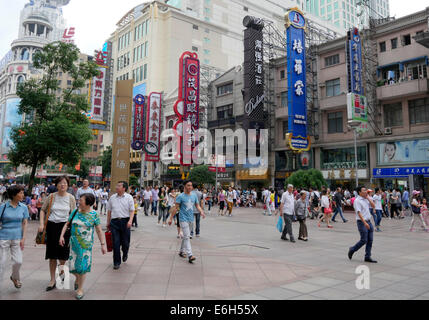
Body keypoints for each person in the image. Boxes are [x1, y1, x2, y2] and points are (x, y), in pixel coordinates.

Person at [58, 193, 106, 299]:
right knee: (73, 267)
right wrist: (61, 236)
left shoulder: (94, 215)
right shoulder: (75, 212)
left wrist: (103, 244)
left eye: (82, 200)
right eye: (79, 200)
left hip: (86, 245)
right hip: (74, 244)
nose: (79, 202)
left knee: (83, 267)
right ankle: (77, 279)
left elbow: (98, 230)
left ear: (88, 203)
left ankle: (80, 289)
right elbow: (67, 224)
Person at [38, 176, 76, 291]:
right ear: (56, 185)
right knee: (52, 255)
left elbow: (73, 214)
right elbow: (43, 210)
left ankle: (62, 271)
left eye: (65, 183)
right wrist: (41, 224)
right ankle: (52, 280)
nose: (62, 185)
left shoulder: (71, 198)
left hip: (65, 228)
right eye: (60, 183)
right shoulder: (51, 196)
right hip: (52, 227)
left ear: (68, 185)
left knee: (63, 254)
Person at [0, 185, 29, 292]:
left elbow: (25, 222)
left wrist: (24, 237)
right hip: (3, 238)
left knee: (18, 261)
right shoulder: (3, 207)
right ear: (13, 195)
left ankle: (14, 277)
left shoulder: (24, 207)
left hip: (17, 237)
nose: (23, 195)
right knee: (1, 263)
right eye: (20, 193)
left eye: (23, 192)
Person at [168, 180, 205, 263]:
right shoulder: (180, 196)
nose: (190, 187)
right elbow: (176, 208)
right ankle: (190, 255)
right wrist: (171, 218)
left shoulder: (194, 196)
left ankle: (181, 251)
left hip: (191, 219)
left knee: (186, 236)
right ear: (184, 186)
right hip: (183, 218)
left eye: (191, 185)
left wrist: (201, 211)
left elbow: (197, 205)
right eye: (188, 185)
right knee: (187, 236)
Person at [106, 181, 135, 270]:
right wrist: (108, 222)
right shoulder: (112, 198)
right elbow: (109, 211)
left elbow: (132, 210)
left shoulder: (129, 197)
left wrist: (130, 221)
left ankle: (125, 253)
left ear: (124, 188)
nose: (117, 187)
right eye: (117, 185)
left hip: (125, 222)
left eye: (119, 186)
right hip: (114, 222)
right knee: (116, 243)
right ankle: (116, 262)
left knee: (125, 243)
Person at [348, 186, 378, 263]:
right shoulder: (357, 201)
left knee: (370, 240)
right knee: (364, 240)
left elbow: (374, 206)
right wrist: (364, 223)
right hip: (362, 222)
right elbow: (359, 213)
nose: (366, 191)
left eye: (366, 190)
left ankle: (367, 256)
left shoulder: (366, 199)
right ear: (359, 192)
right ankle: (352, 249)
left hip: (369, 221)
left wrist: (368, 198)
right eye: (364, 190)